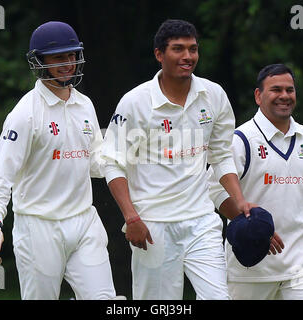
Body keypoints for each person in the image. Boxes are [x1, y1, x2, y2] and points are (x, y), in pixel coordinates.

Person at [101, 19, 252, 300]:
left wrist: (239, 200)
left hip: (201, 221)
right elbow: (112, 163)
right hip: (153, 226)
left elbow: (220, 155)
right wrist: (131, 217)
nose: (188, 56)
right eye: (178, 49)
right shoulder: (135, 102)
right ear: (159, 54)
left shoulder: (213, 95)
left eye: (193, 49)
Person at [0, 21, 120, 300]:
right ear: (39, 61)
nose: (68, 63)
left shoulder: (85, 105)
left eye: (71, 55)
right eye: (58, 57)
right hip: (38, 227)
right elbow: (3, 173)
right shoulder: (25, 114)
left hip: (84, 222)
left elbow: (95, 163)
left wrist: (131, 156)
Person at [208, 63, 303, 300]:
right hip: (251, 267)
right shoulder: (241, 139)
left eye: (290, 90)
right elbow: (214, 189)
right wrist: (253, 229)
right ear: (258, 95)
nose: (284, 96)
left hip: (301, 264)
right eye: (276, 89)